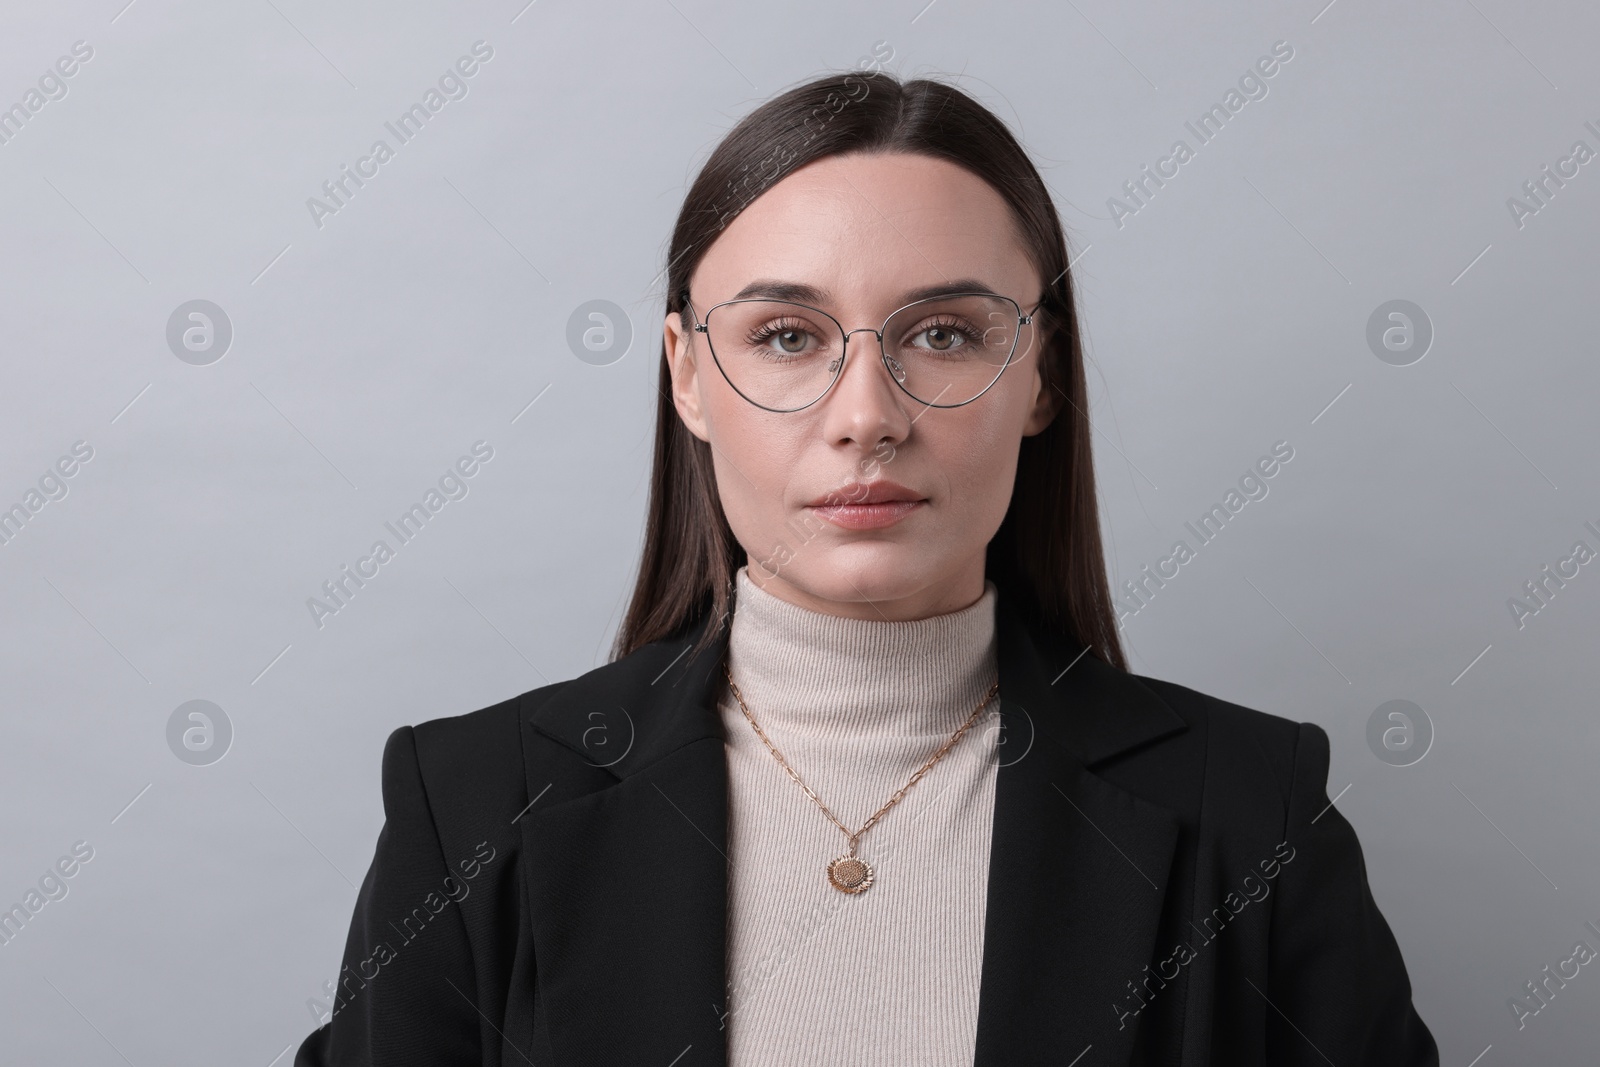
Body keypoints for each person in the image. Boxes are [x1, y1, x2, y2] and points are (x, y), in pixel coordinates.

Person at [295, 70, 1438, 1066]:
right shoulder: (476, 807)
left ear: (1041, 376)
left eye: (942, 333)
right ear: (687, 377)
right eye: (786, 336)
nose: (865, 416)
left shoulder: (1250, 812)